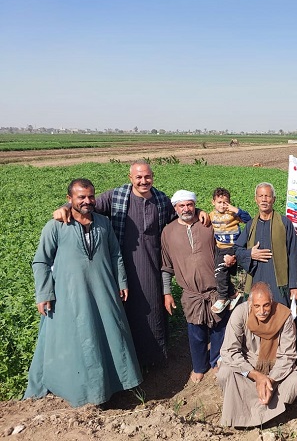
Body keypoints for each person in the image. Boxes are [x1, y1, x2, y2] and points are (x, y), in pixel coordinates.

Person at [53, 160, 208, 367]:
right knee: (124, 313)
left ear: (153, 176)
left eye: (147, 176)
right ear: (130, 178)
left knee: (153, 312)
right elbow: (87, 204)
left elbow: (183, 212)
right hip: (121, 264)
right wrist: (64, 207)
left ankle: (155, 360)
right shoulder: (115, 197)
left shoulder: (161, 200)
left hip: (152, 266)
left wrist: (199, 212)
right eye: (139, 177)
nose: (144, 181)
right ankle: (128, 361)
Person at [24, 179, 142, 407]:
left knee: (108, 336)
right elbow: (41, 261)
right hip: (69, 297)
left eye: (90, 196)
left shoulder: (103, 223)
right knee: (76, 341)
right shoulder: (55, 226)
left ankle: (111, 387)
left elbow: (115, 254)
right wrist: (44, 293)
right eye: (81, 197)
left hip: (103, 292)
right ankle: (75, 390)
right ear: (70, 199)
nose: (87, 201)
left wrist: (121, 282)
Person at [217, 282, 297, 427]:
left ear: (271, 302)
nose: (262, 311)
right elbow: (229, 351)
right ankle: (250, 414)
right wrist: (256, 375)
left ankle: (267, 415)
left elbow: (288, 355)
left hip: (275, 371)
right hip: (248, 368)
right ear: (250, 303)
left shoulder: (284, 316)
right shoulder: (240, 313)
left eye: (266, 305)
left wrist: (269, 380)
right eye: (257, 306)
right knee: (225, 372)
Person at [161, 190, 229, 383]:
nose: (186, 209)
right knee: (196, 332)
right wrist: (167, 292)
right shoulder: (168, 232)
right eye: (181, 206)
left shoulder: (207, 224)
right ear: (175, 208)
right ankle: (199, 366)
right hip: (191, 294)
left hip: (215, 290)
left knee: (218, 328)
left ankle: (216, 361)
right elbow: (166, 266)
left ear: (195, 205)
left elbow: (223, 250)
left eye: (190, 205)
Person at [234, 182, 297, 307]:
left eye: (267, 196)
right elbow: (237, 250)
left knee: (280, 317)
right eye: (260, 196)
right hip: (256, 279)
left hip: (279, 284)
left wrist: (294, 285)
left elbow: (293, 254)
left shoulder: (284, 223)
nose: (264, 199)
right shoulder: (250, 225)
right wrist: (250, 253)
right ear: (256, 199)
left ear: (274, 199)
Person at [209, 187, 251, 313]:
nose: (222, 205)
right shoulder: (211, 215)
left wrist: (236, 210)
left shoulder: (233, 214)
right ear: (213, 202)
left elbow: (249, 221)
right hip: (220, 248)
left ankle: (222, 298)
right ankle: (233, 294)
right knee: (219, 272)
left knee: (220, 270)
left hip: (233, 247)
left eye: (225, 202)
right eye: (219, 202)